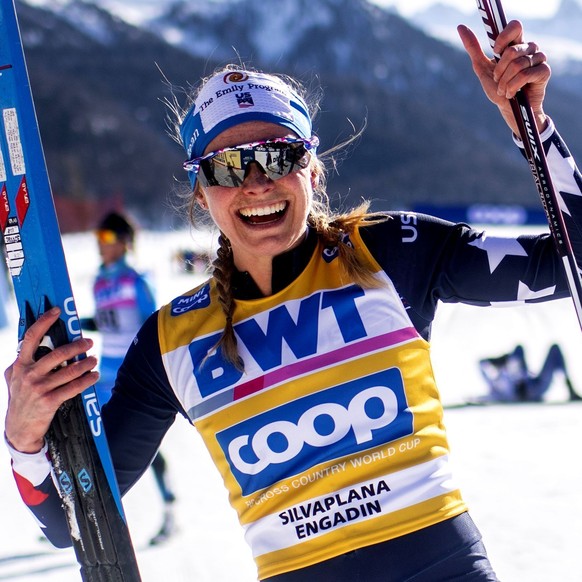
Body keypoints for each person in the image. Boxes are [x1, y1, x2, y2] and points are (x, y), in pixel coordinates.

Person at [4, 20, 581, 581]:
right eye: (229, 165)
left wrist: (531, 127)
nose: (257, 182)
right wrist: (25, 438)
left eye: (278, 155)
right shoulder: (170, 344)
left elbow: (571, 265)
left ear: (312, 168)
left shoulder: (394, 252)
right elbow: (70, 521)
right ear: (202, 193)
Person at [82, 211, 177, 545]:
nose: (101, 246)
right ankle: (86, 517)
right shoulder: (99, 280)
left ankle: (170, 511)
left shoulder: (136, 280)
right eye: (98, 239)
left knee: (140, 446)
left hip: (132, 375)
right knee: (96, 442)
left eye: (106, 239)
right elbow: (109, 321)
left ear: (123, 242)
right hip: (103, 373)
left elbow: (150, 325)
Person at [478, 343, 581, 403]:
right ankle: (519, 383)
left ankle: (570, 388)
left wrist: (502, 361)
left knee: (554, 349)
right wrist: (498, 361)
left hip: (533, 387)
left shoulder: (505, 375)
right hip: (525, 393)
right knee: (518, 353)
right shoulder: (499, 380)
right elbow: (481, 363)